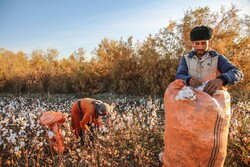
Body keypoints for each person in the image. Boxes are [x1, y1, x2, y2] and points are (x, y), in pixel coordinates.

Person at [176, 25, 243, 94]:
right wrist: (188, 79)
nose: (200, 47)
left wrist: (221, 80)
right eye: (197, 43)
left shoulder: (217, 58)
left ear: (209, 42)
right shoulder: (186, 58)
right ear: (192, 44)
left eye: (204, 43)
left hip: (212, 100)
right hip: (191, 100)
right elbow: (179, 76)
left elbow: (237, 72)